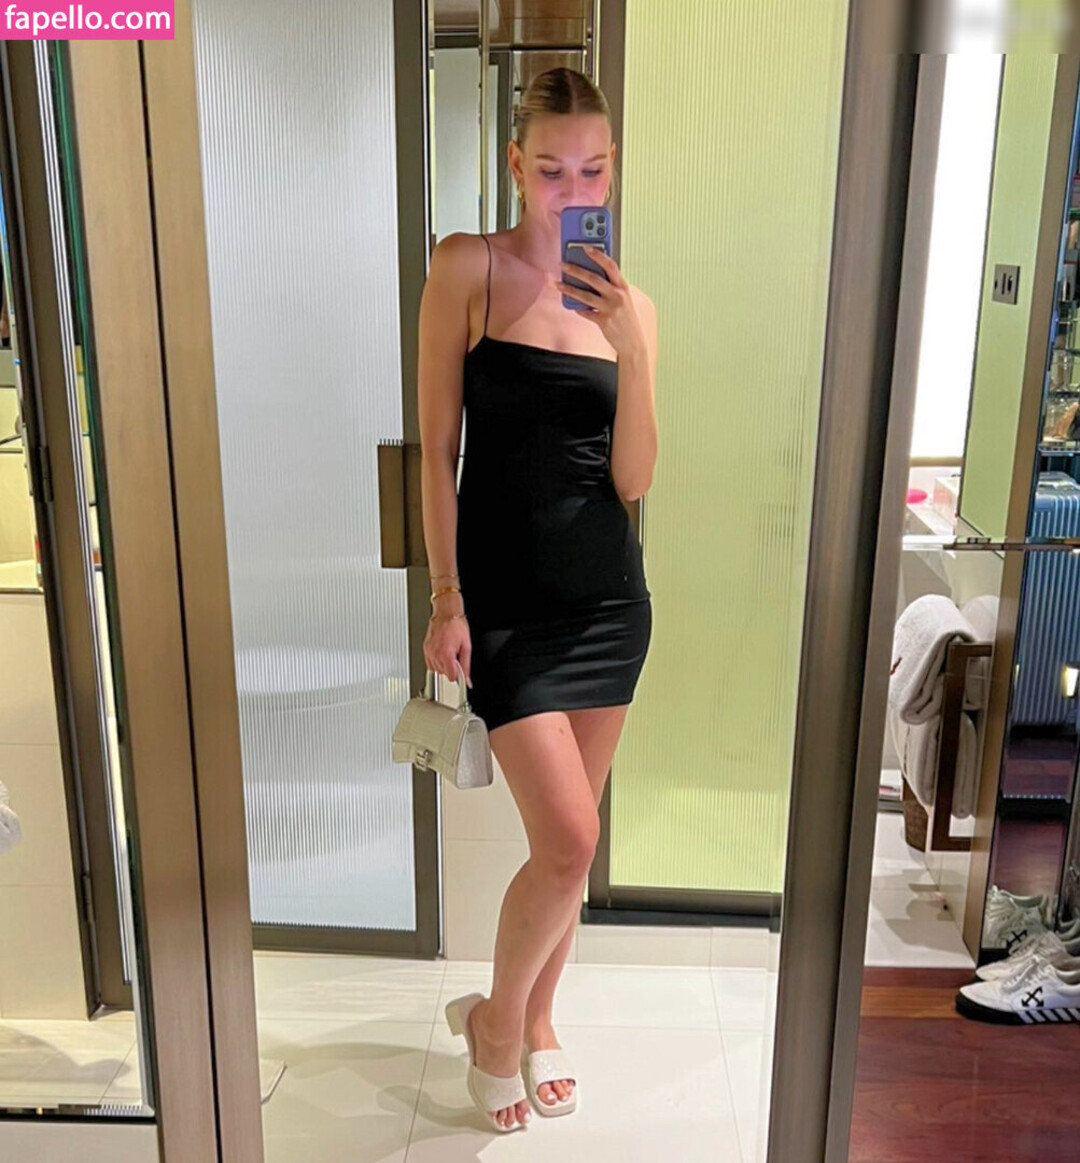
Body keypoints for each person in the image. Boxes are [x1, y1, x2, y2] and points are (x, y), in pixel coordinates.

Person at [418, 66, 658, 1133]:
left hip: (609, 605)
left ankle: (539, 1015)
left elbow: (633, 479)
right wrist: (446, 595)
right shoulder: (466, 268)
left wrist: (635, 350)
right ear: (517, 165)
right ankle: (496, 1025)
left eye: (593, 170)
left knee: (577, 841)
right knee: (566, 840)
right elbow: (437, 449)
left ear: (613, 171)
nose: (573, 190)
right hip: (508, 610)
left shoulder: (630, 308)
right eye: (552, 169)